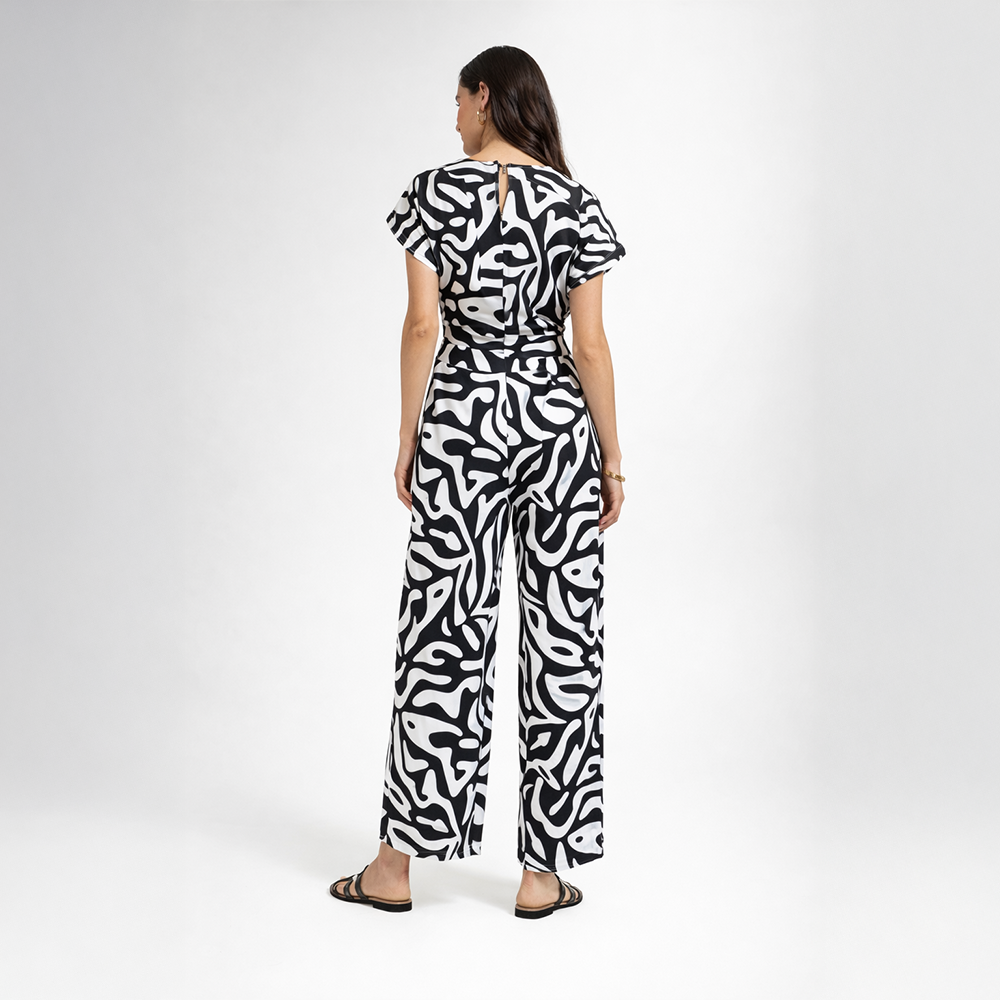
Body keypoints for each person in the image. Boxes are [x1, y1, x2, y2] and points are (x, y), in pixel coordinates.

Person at [330, 45, 626, 919]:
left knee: (442, 635)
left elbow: (422, 326)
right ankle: (542, 875)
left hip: (461, 426)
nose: (453, 116)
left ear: (486, 96)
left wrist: (408, 433)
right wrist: (611, 457)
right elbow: (590, 346)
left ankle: (395, 869)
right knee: (563, 640)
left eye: (458, 100)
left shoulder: (431, 194)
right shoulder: (575, 204)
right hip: (555, 427)